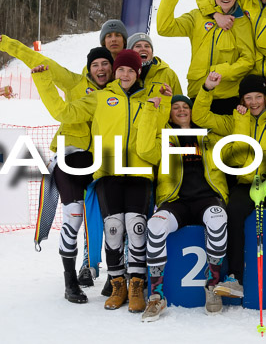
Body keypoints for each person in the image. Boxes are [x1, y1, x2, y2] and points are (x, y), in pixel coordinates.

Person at [32, 50, 166, 313]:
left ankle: (136, 285)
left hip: (139, 173)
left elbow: (159, 134)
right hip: (108, 173)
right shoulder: (100, 97)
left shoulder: (151, 99)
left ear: (138, 72)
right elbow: (64, 111)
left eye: (131, 70)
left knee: (137, 229)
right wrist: (44, 82)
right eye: (121, 70)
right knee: (113, 230)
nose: (125, 74)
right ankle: (117, 284)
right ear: (115, 73)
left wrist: (160, 102)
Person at [0, 34, 113, 296]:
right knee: (74, 215)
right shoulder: (75, 82)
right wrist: (9, 45)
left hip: (103, 164)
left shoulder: (117, 94)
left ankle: (113, 275)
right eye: (96, 65)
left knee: (111, 219)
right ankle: (70, 281)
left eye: (105, 64)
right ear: (89, 68)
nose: (101, 69)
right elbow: (41, 60)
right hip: (71, 160)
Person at [191, 68, 266, 310]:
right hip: (247, 183)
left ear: (265, 97)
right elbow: (200, 116)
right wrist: (207, 89)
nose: (253, 102)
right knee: (233, 211)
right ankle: (234, 278)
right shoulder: (236, 119)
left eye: (258, 96)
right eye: (248, 98)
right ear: (242, 100)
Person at [136, 94, 230, 320]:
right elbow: (145, 149)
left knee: (218, 220)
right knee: (155, 226)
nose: (180, 110)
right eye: (175, 107)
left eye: (185, 107)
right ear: (169, 113)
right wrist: (151, 111)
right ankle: (157, 295)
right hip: (175, 199)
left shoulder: (209, 136)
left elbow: (234, 150)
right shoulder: (164, 137)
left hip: (207, 198)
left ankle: (212, 285)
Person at [156, 0, 255, 114]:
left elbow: (248, 60)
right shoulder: (197, 17)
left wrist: (219, 71)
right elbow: (164, 27)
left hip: (227, 96)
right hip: (197, 92)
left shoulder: (242, 22)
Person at [127, 33, 184, 99]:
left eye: (147, 46)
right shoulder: (124, 74)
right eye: (138, 46)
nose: (143, 49)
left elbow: (179, 103)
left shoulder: (168, 74)